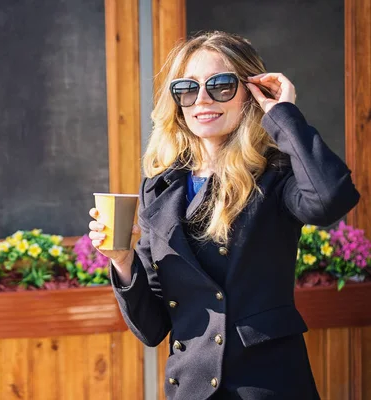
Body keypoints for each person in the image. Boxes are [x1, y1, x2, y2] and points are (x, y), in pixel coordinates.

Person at [88, 31, 360, 400]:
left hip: (266, 385)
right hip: (192, 387)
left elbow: (332, 198)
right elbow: (152, 329)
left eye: (220, 85)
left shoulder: (276, 174)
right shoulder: (160, 186)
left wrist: (283, 114)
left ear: (250, 92)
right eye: (187, 88)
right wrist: (122, 262)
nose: (202, 99)